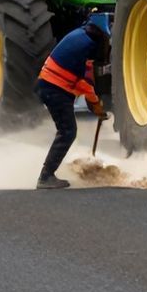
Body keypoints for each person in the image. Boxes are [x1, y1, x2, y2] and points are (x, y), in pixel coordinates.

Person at [34, 21, 109, 189]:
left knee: (67, 131)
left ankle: (47, 175)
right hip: (55, 88)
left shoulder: (81, 34)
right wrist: (96, 104)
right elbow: (85, 83)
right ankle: (45, 177)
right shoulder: (88, 46)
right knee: (67, 131)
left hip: (50, 85)